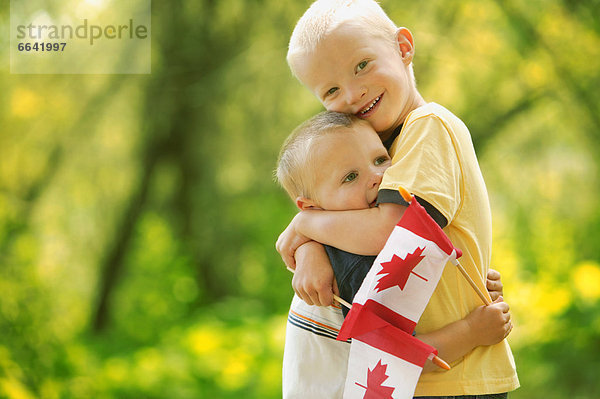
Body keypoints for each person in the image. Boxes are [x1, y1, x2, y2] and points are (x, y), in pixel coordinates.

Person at [276, 0, 519, 397]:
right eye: (332, 90)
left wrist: (303, 227)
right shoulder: (379, 147)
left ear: (404, 47)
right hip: (410, 374)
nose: (354, 93)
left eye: (362, 65)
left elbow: (390, 232)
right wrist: (310, 249)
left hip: (456, 378)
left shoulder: (429, 127)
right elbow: (354, 235)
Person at [276, 111, 512, 398]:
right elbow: (396, 357)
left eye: (380, 159)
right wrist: (473, 331)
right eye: (350, 177)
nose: (379, 176)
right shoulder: (355, 264)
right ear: (311, 207)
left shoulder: (338, 244)